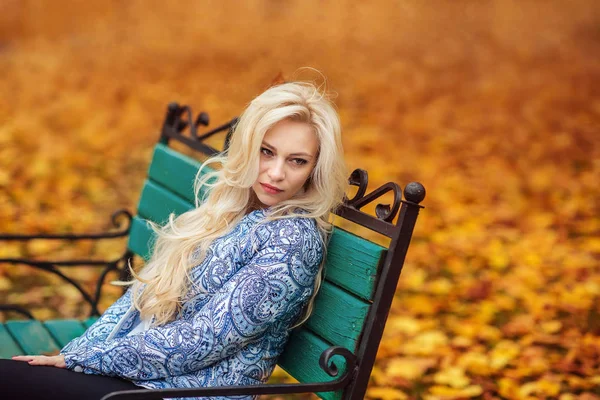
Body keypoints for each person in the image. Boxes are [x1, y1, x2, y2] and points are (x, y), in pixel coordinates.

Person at [2, 80, 348, 400]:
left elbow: (204, 339)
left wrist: (85, 360)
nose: (275, 173)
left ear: (314, 169)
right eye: (266, 151)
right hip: (135, 375)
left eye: (297, 161)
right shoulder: (231, 208)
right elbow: (141, 297)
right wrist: (74, 355)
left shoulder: (293, 242)